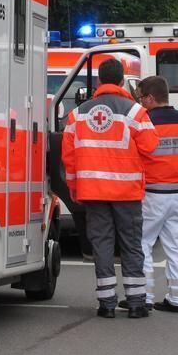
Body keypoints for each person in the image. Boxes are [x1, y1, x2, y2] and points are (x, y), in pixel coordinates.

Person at [61, 57, 158, 319]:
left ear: (99, 81)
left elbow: (68, 157)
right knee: (130, 243)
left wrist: (73, 187)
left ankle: (106, 304)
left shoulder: (77, 114)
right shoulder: (135, 112)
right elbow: (151, 147)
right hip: (126, 192)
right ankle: (136, 302)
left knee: (101, 244)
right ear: (121, 80)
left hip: (92, 191)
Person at [134, 75, 178, 313]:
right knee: (176, 247)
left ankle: (143, 296)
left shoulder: (144, 120)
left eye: (141, 97)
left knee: (142, 244)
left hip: (152, 193)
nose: (140, 102)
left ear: (151, 98)